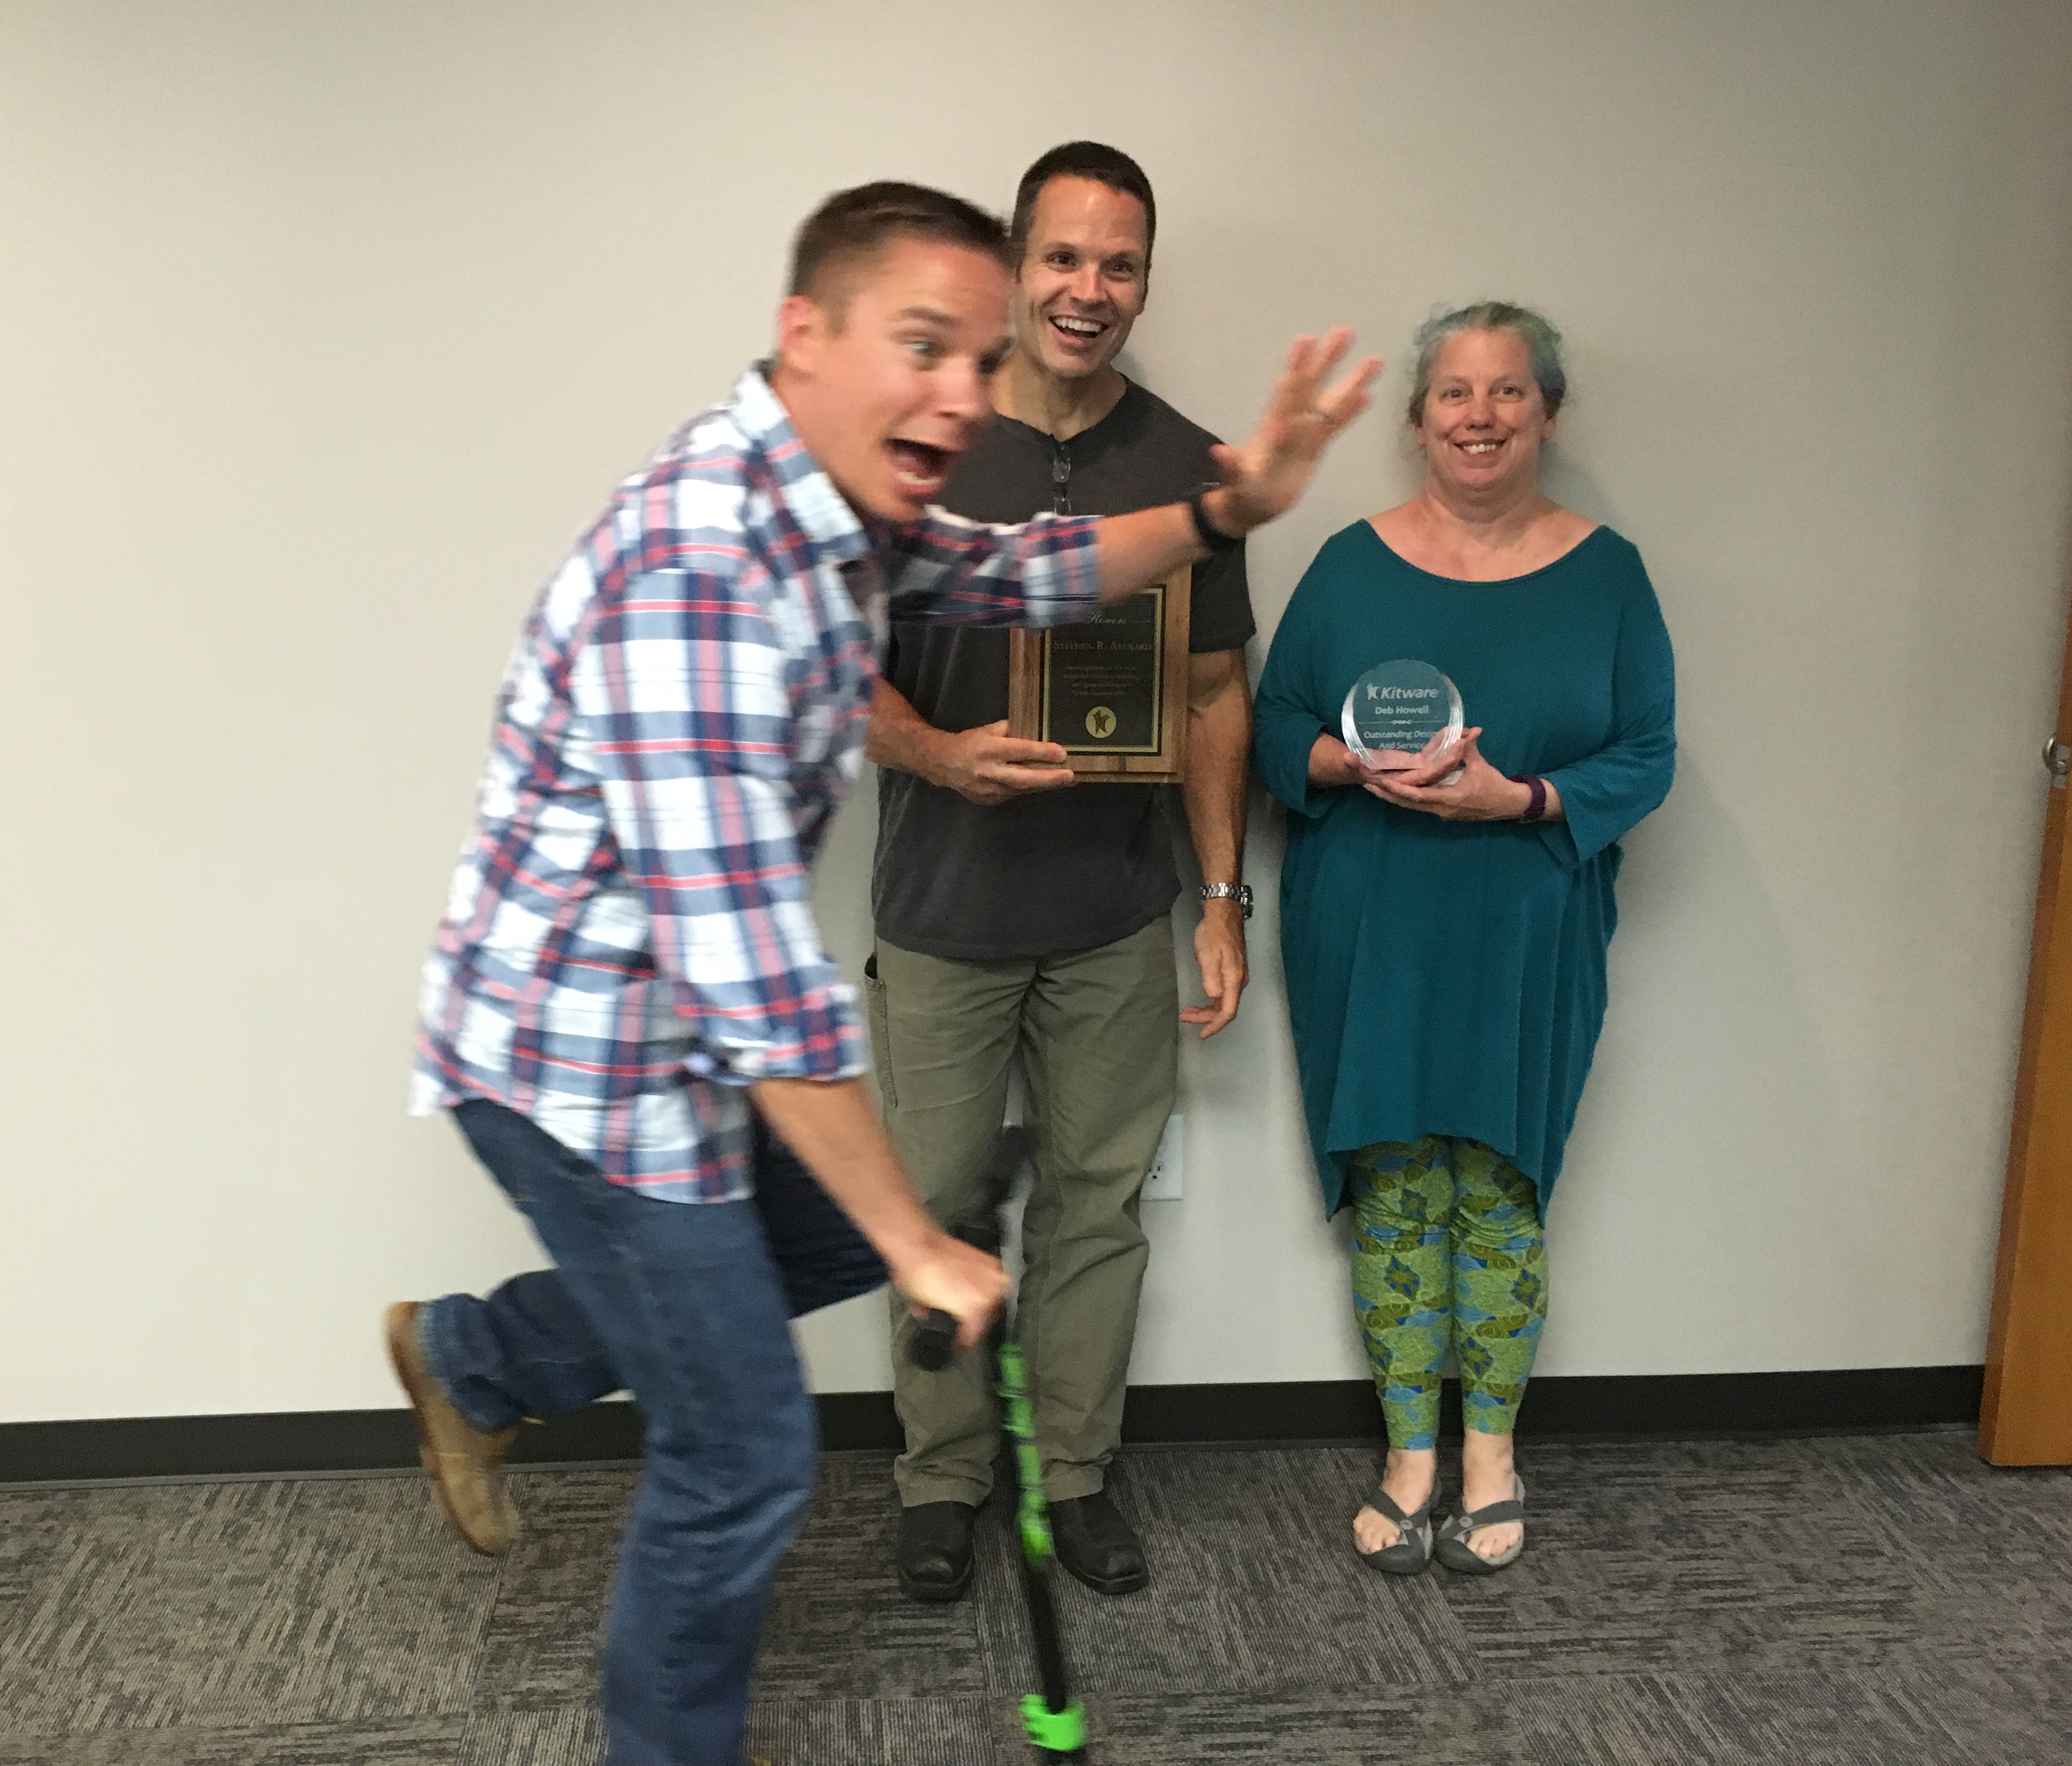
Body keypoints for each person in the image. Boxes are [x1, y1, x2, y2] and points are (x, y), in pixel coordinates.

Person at [385, 176, 1378, 1766]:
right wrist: (915, 1237)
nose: (959, 395)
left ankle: (479, 1356)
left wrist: (1221, 506)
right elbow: (749, 971)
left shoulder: (842, 517)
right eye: (924, 344)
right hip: (574, 1061)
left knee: (845, 1228)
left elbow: (1021, 572)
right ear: (804, 335)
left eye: (977, 362)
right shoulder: (699, 573)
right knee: (744, 1449)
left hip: (675, 1041)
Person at [867, 142, 1257, 1604]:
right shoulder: (920, 442)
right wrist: (937, 757)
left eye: (1121, 264)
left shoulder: (1192, 470)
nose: (1090, 290)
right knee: (941, 1209)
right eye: (1065, 258)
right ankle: (942, 1481)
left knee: (1098, 1208)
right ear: (1015, 264)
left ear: (1142, 281)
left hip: (1109, 918)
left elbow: (1216, 693)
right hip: (944, 916)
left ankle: (1074, 1475)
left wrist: (1223, 899)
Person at [1251, 301, 1674, 1576]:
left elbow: (1647, 756)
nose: (1480, 417)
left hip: (1525, 920)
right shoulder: (1347, 564)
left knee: (1496, 1195)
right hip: (1370, 918)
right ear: (1419, 418)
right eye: (1454, 395)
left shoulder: (1610, 575)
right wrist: (1342, 760)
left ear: (1548, 411)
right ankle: (1409, 1453)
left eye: (1507, 393)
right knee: (1393, 1194)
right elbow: (1272, 724)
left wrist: (1527, 799)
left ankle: (1490, 1452)